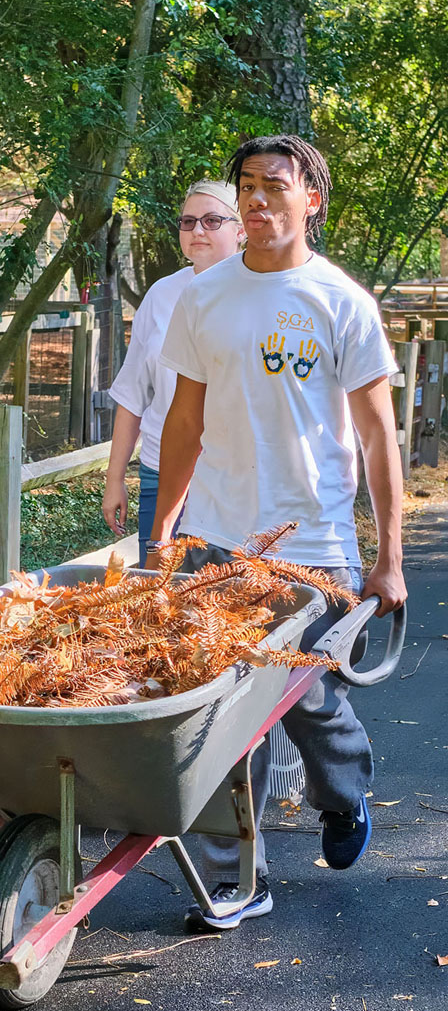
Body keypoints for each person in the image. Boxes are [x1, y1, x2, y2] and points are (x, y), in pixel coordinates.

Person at [148, 134, 407, 931]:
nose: (257, 198)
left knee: (306, 702)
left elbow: (378, 438)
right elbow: (184, 421)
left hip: (314, 545)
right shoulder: (204, 297)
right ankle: (236, 877)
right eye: (248, 186)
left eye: (275, 185)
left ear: (311, 200)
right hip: (217, 540)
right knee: (225, 713)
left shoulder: (340, 302)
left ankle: (343, 790)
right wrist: (164, 527)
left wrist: (390, 559)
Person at [103, 180, 244, 564]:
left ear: (241, 229)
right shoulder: (161, 295)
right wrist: (115, 479)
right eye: (188, 221)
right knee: (157, 589)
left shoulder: (259, 293)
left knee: (222, 595)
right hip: (160, 474)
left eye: (212, 220)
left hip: (233, 481)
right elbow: (133, 394)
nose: (197, 230)